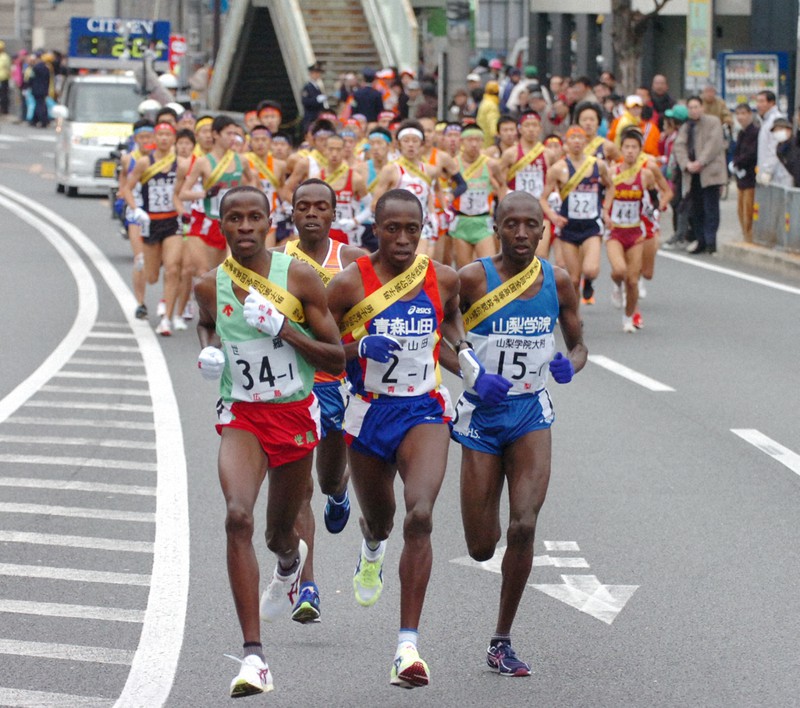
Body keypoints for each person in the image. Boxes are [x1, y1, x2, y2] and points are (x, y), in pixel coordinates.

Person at [326, 188, 508, 688]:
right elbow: (321, 350)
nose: (404, 239)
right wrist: (358, 344)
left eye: (413, 229)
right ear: (376, 231)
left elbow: (448, 327)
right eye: (393, 229)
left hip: (423, 409)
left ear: (423, 228)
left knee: (421, 514)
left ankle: (407, 647)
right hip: (367, 412)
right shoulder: (347, 285)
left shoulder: (440, 277)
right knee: (382, 521)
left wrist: (470, 368)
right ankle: (370, 547)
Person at [193, 185, 345, 697]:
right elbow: (208, 326)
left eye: (253, 217)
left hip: (295, 413)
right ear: (221, 225)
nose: (243, 227)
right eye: (233, 218)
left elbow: (335, 358)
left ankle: (287, 563)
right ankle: (254, 658)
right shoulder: (207, 286)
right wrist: (210, 348)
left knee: (282, 535)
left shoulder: (297, 276)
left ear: (268, 223)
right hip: (243, 415)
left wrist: (284, 328)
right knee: (237, 516)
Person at [450, 190, 586, 677]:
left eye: (532, 225)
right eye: (513, 225)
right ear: (497, 226)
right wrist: (469, 369)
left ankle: (501, 640)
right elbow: (442, 334)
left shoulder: (559, 281)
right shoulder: (471, 278)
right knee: (482, 547)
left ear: (543, 230)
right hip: (481, 419)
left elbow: (578, 344)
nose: (523, 234)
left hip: (531, 414)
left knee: (524, 525)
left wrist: (567, 365)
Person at [273, 179, 366, 622]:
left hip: (336, 382)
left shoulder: (351, 260)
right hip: (293, 384)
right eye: (302, 206)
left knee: (328, 482)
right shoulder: (275, 260)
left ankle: (341, 492)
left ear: (334, 214)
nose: (311, 213)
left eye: (321, 207)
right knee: (300, 489)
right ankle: (308, 586)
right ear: (291, 213)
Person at [603, 129, 670, 332]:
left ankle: (629, 317)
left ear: (641, 150)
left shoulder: (647, 174)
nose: (630, 151)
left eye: (634, 147)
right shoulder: (612, 173)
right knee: (620, 271)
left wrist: (656, 210)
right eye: (627, 147)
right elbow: (602, 197)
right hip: (615, 232)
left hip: (636, 232)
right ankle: (616, 285)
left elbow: (662, 193)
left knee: (634, 280)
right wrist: (605, 214)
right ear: (621, 149)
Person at [121, 121, 183, 336]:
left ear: (174, 139)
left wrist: (184, 210)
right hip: (150, 222)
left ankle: (167, 319)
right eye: (161, 135)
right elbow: (127, 189)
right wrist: (136, 209)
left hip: (172, 222)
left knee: (174, 268)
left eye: (168, 135)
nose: (164, 138)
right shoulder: (144, 163)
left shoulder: (180, 164)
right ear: (155, 139)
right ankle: (143, 280)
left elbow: (184, 190)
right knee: (152, 275)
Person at [541, 125, 613, 312]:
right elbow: (542, 198)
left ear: (585, 142)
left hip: (591, 226)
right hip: (568, 227)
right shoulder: (558, 169)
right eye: (572, 139)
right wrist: (553, 216)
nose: (576, 142)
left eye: (580, 138)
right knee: (572, 279)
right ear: (566, 144)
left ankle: (588, 281)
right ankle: (575, 316)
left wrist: (605, 210)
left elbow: (611, 186)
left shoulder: (598, 165)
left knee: (590, 269)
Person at [672, 96, 727, 254]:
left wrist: (700, 162)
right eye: (691, 107)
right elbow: (679, 146)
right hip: (692, 174)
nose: (694, 110)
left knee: (711, 208)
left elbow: (713, 144)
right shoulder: (686, 127)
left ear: (702, 107)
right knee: (696, 209)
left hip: (710, 173)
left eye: (696, 107)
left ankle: (710, 241)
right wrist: (686, 164)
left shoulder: (713, 122)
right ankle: (700, 239)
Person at [448, 125, 504, 268]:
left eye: (478, 140)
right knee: (464, 270)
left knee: (489, 267)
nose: (474, 144)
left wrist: (503, 210)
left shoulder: (491, 164)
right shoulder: (453, 164)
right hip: (461, 221)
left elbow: (502, 185)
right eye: (470, 140)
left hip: (483, 221)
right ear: (462, 141)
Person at [731, 102, 759, 243]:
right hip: (741, 176)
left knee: (748, 209)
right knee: (740, 209)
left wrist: (737, 162)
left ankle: (749, 236)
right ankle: (744, 235)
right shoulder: (741, 132)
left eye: (743, 113)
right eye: (738, 114)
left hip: (750, 176)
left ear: (750, 114)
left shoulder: (754, 132)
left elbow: (751, 153)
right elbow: (737, 151)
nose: (740, 117)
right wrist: (735, 163)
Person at [755, 90, 786, 186]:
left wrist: (768, 171)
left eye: (762, 101)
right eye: (758, 101)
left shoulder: (776, 120)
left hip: (776, 173)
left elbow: (775, 147)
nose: (758, 105)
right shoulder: (766, 120)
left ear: (771, 103)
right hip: (767, 174)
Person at [301, 62, 328, 131]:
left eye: (318, 73)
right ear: (310, 74)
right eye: (315, 73)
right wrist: (316, 100)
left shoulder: (317, 87)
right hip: (311, 117)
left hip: (318, 116)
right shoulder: (307, 87)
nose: (317, 75)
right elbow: (305, 101)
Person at [476, 81, 501, 148]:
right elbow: (493, 122)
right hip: (489, 142)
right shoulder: (492, 106)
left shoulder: (484, 102)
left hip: (482, 137)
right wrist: (496, 134)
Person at [0, 41, 10, 116]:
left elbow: (7, 68)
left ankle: (4, 109)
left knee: (4, 95)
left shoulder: (5, 57)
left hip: (3, 78)